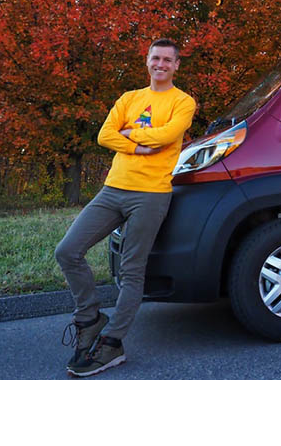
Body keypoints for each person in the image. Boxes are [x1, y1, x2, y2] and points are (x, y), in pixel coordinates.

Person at [55, 38, 196, 377]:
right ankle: (89, 319)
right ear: (147, 61)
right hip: (113, 189)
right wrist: (137, 146)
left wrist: (131, 134)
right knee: (68, 251)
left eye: (167, 59)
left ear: (176, 65)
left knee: (132, 271)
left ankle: (112, 342)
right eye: (155, 58)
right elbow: (105, 135)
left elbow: (167, 135)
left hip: (151, 194)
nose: (160, 64)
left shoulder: (183, 102)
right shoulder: (129, 98)